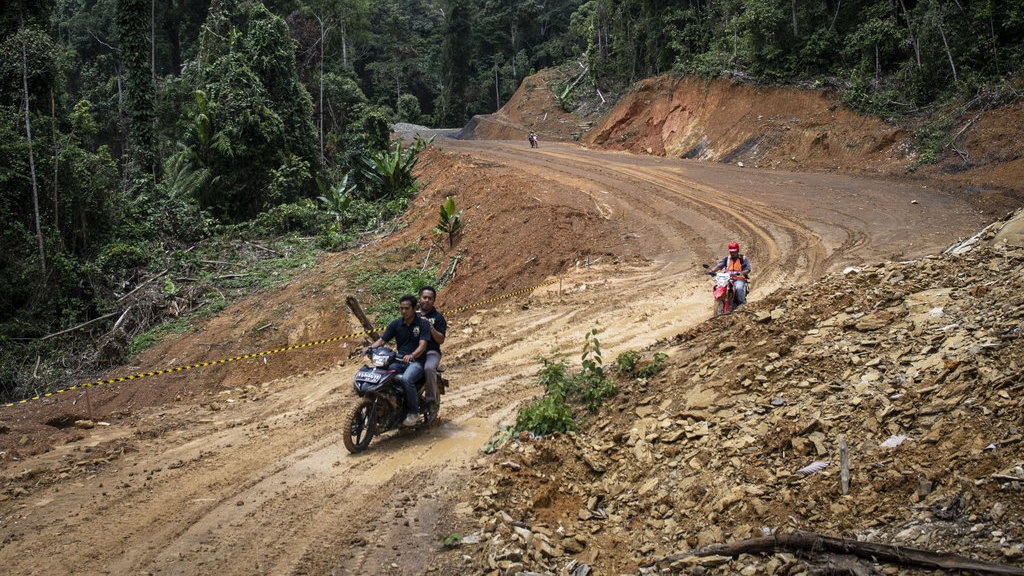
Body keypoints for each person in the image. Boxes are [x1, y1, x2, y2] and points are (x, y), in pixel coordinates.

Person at [366, 294, 431, 426]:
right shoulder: (396, 324)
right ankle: (388, 404)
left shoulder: (423, 324)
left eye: (406, 308)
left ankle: (413, 413)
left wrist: (412, 355)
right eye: (401, 308)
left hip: (417, 362)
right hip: (399, 360)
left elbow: (423, 345)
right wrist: (369, 348)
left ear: (414, 309)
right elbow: (382, 340)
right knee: (380, 375)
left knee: (407, 379)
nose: (403, 311)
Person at [417, 286, 447, 405]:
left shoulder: (438, 318)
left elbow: (441, 340)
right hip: (411, 351)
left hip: (431, 352)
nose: (427, 300)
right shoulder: (410, 314)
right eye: (424, 297)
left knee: (429, 368)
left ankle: (430, 401)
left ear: (434, 300)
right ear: (419, 299)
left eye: (430, 298)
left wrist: (430, 327)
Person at [711, 242, 751, 306]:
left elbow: (748, 269)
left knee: (739, 288)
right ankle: (720, 303)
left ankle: (742, 304)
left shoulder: (743, 259)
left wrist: (741, 273)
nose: (732, 253)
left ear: (737, 251)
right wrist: (712, 271)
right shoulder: (727, 259)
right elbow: (719, 266)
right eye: (731, 252)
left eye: (734, 252)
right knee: (718, 287)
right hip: (727, 279)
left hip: (739, 279)